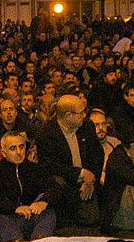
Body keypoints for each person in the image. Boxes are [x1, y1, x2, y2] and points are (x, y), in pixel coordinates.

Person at [34, 94, 103, 227]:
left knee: (92, 219)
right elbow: (50, 166)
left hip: (87, 182)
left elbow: (97, 156)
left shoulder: (87, 126)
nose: (84, 116)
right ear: (68, 116)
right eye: (80, 113)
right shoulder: (46, 133)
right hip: (63, 182)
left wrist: (91, 180)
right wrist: (81, 173)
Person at [0, 131, 58, 242]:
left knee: (49, 212)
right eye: (13, 148)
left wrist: (43, 202)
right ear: (4, 152)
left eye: (21, 147)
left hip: (31, 215)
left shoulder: (34, 169)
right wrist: (15, 208)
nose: (19, 152)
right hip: (9, 217)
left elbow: (55, 188)